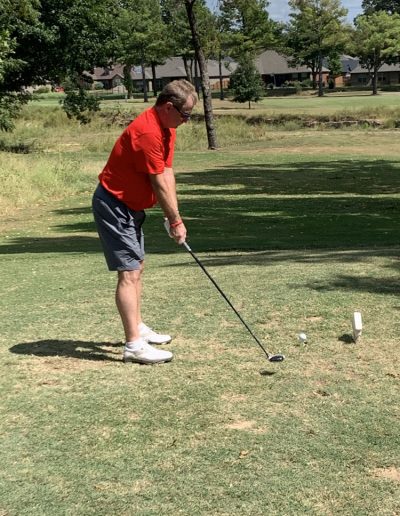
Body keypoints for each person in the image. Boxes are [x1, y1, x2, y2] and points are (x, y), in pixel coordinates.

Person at [92, 79, 198, 365]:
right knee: (128, 272)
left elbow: (167, 172)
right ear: (168, 107)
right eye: (185, 114)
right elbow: (158, 181)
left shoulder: (167, 128)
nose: (186, 121)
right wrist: (175, 221)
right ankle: (133, 346)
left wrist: (172, 215)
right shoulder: (148, 132)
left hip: (131, 206)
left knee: (137, 267)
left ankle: (137, 327)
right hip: (114, 204)